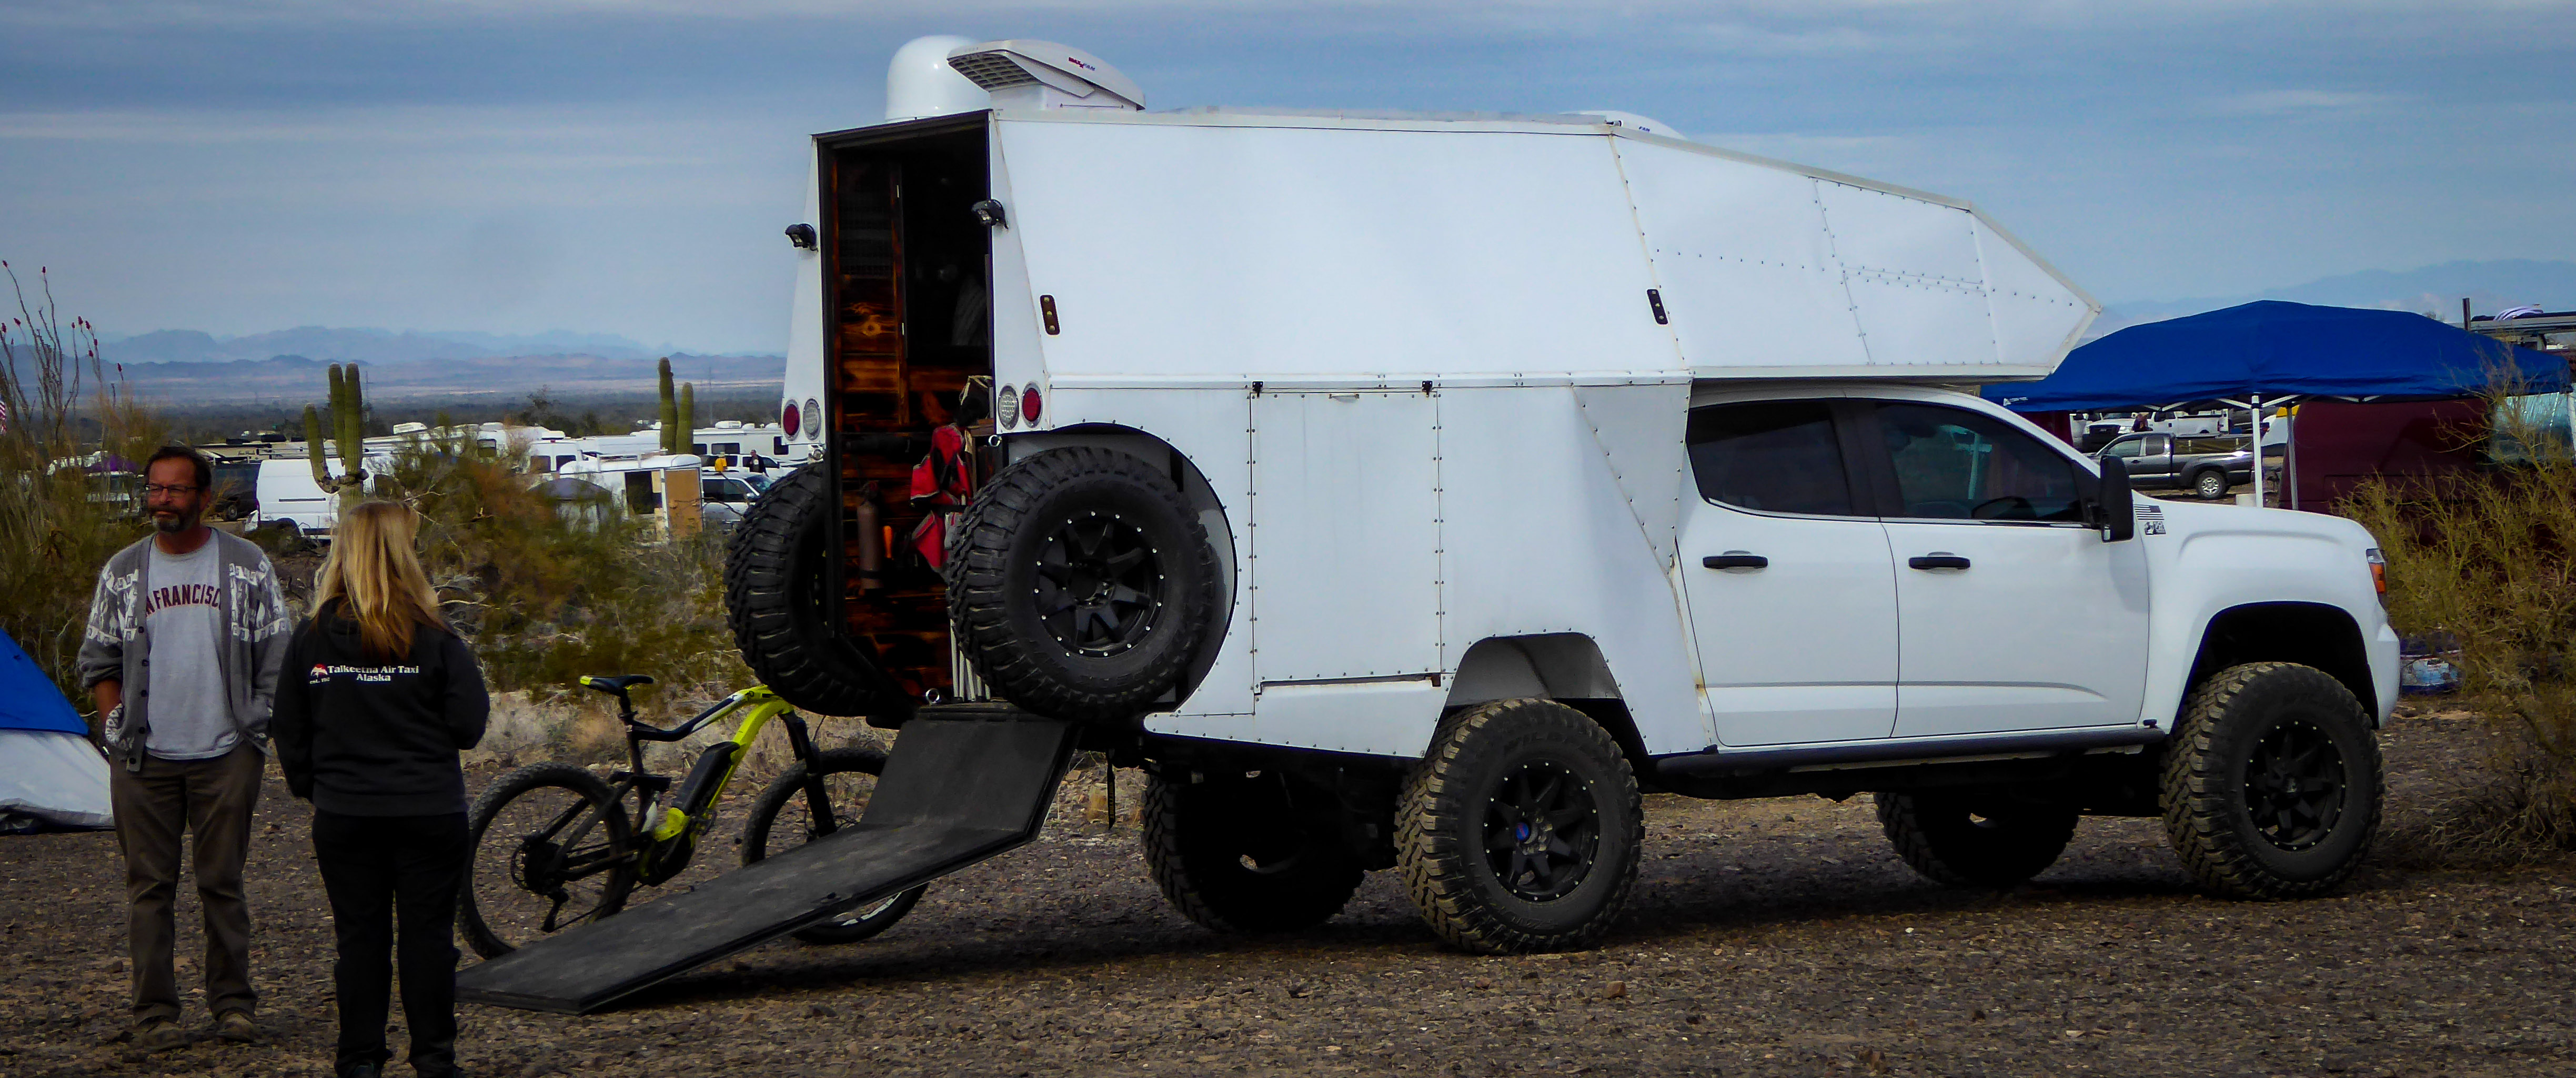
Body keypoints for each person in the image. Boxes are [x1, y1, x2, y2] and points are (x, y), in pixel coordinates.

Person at [78, 445, 294, 1053]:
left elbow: (278, 651)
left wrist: (258, 727)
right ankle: (155, 1016)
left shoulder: (246, 565)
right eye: (155, 489)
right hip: (143, 758)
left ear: (204, 496)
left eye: (175, 490)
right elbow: (98, 658)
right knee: (149, 888)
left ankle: (234, 1007)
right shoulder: (124, 571)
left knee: (222, 882)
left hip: (227, 753)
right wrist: (115, 724)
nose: (163, 500)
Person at [270, 501, 489, 1078]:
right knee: (428, 938)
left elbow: (289, 727)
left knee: (360, 939)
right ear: (403, 553)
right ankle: (434, 1059)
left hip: (347, 813)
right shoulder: (435, 637)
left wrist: (317, 788)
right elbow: (468, 726)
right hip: (429, 808)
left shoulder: (311, 639)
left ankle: (360, 1059)